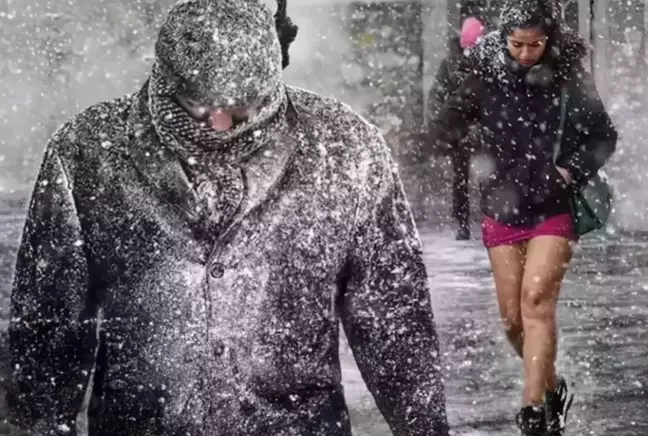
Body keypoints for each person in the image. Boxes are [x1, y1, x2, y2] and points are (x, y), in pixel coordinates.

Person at [6, 1, 449, 435]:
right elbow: (48, 329)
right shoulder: (87, 153)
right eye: (198, 106)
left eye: (241, 109)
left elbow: (393, 315)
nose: (220, 124)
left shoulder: (346, 149)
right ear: (164, 79)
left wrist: (424, 427)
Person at [428, 0, 617, 435]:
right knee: (513, 319)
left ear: (548, 39)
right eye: (518, 45)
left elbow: (603, 136)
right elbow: (442, 129)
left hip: (553, 207)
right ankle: (552, 386)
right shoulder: (484, 77)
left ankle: (533, 413)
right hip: (502, 207)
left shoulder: (569, 75)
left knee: (536, 302)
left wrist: (570, 168)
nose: (527, 53)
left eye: (536, 44)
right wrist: (476, 141)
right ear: (504, 40)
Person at [427, 17, 485, 240]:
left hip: (480, 129)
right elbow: (437, 96)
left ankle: (486, 219)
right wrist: (441, 125)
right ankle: (463, 222)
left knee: (484, 177)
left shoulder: (486, 63)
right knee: (461, 178)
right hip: (459, 130)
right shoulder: (449, 65)